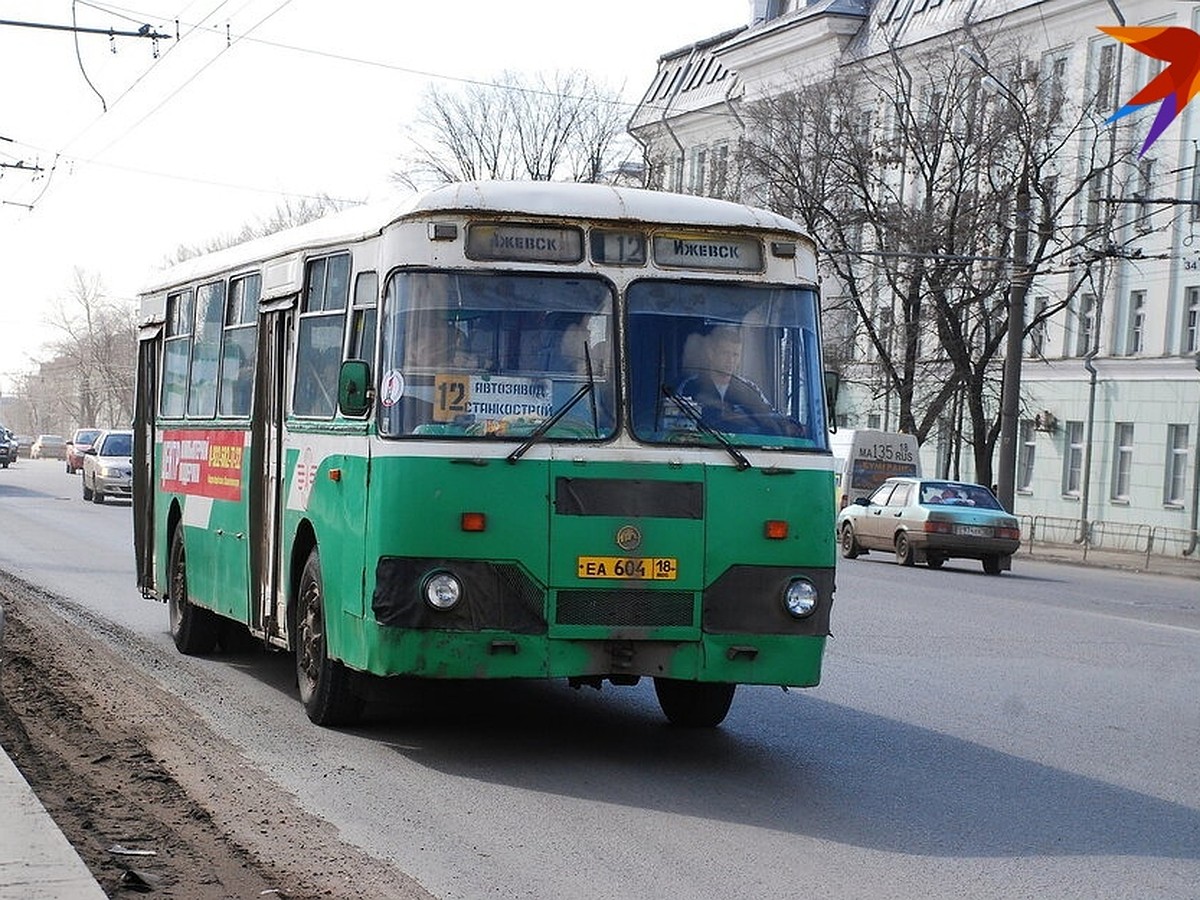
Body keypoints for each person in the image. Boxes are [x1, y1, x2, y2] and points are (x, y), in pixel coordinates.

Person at [674, 324, 777, 431]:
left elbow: (769, 417)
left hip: (744, 446)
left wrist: (786, 426)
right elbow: (675, 423)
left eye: (735, 355)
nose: (730, 360)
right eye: (725, 353)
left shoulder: (749, 390)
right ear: (711, 353)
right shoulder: (689, 388)